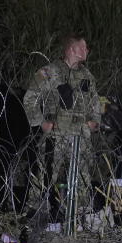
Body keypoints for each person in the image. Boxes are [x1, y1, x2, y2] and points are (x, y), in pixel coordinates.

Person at [21, 32, 101, 229]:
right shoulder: (49, 72)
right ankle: (34, 214)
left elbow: (95, 102)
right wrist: (40, 122)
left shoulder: (86, 75)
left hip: (80, 134)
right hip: (56, 132)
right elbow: (29, 98)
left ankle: (81, 216)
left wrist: (94, 121)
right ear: (72, 49)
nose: (87, 51)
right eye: (83, 47)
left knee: (82, 176)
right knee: (45, 174)